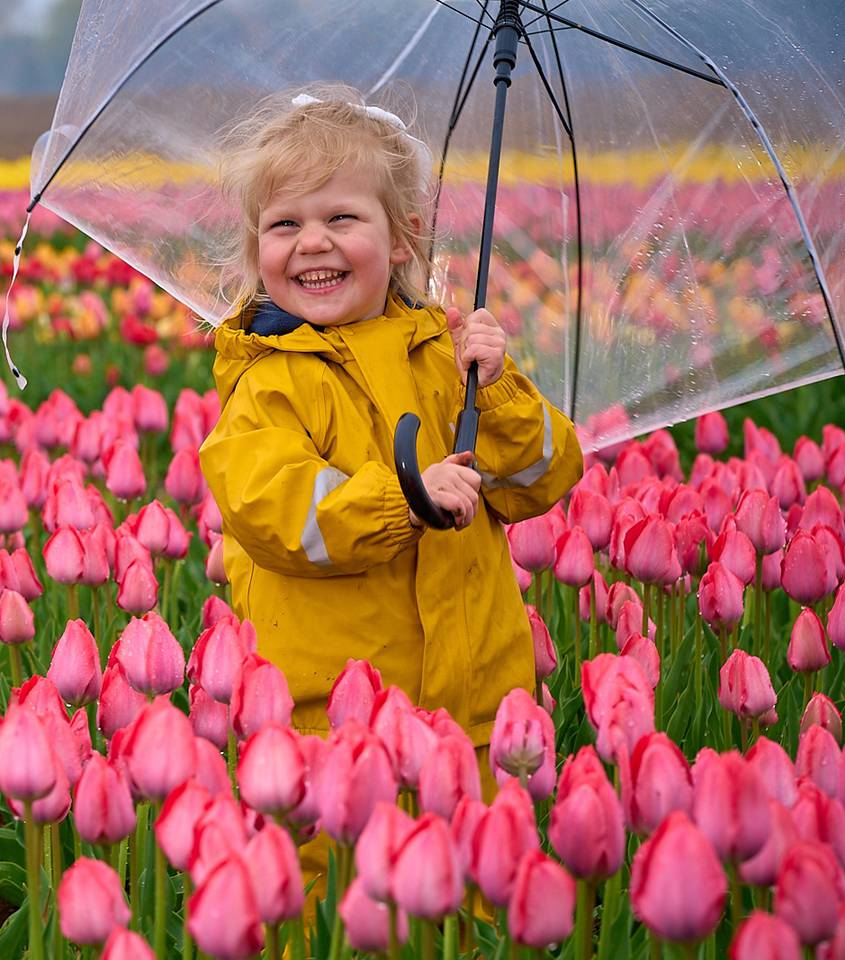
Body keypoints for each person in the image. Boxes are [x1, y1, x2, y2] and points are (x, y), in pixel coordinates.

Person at [197, 85, 583, 897]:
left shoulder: (449, 362)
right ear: (254, 249)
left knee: (470, 902)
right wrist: (404, 499)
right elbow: (278, 513)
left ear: (404, 238)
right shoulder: (267, 388)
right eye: (285, 224)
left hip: (474, 707)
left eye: (342, 218)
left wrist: (500, 387)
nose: (313, 242)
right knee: (335, 909)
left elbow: (542, 477)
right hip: (331, 723)